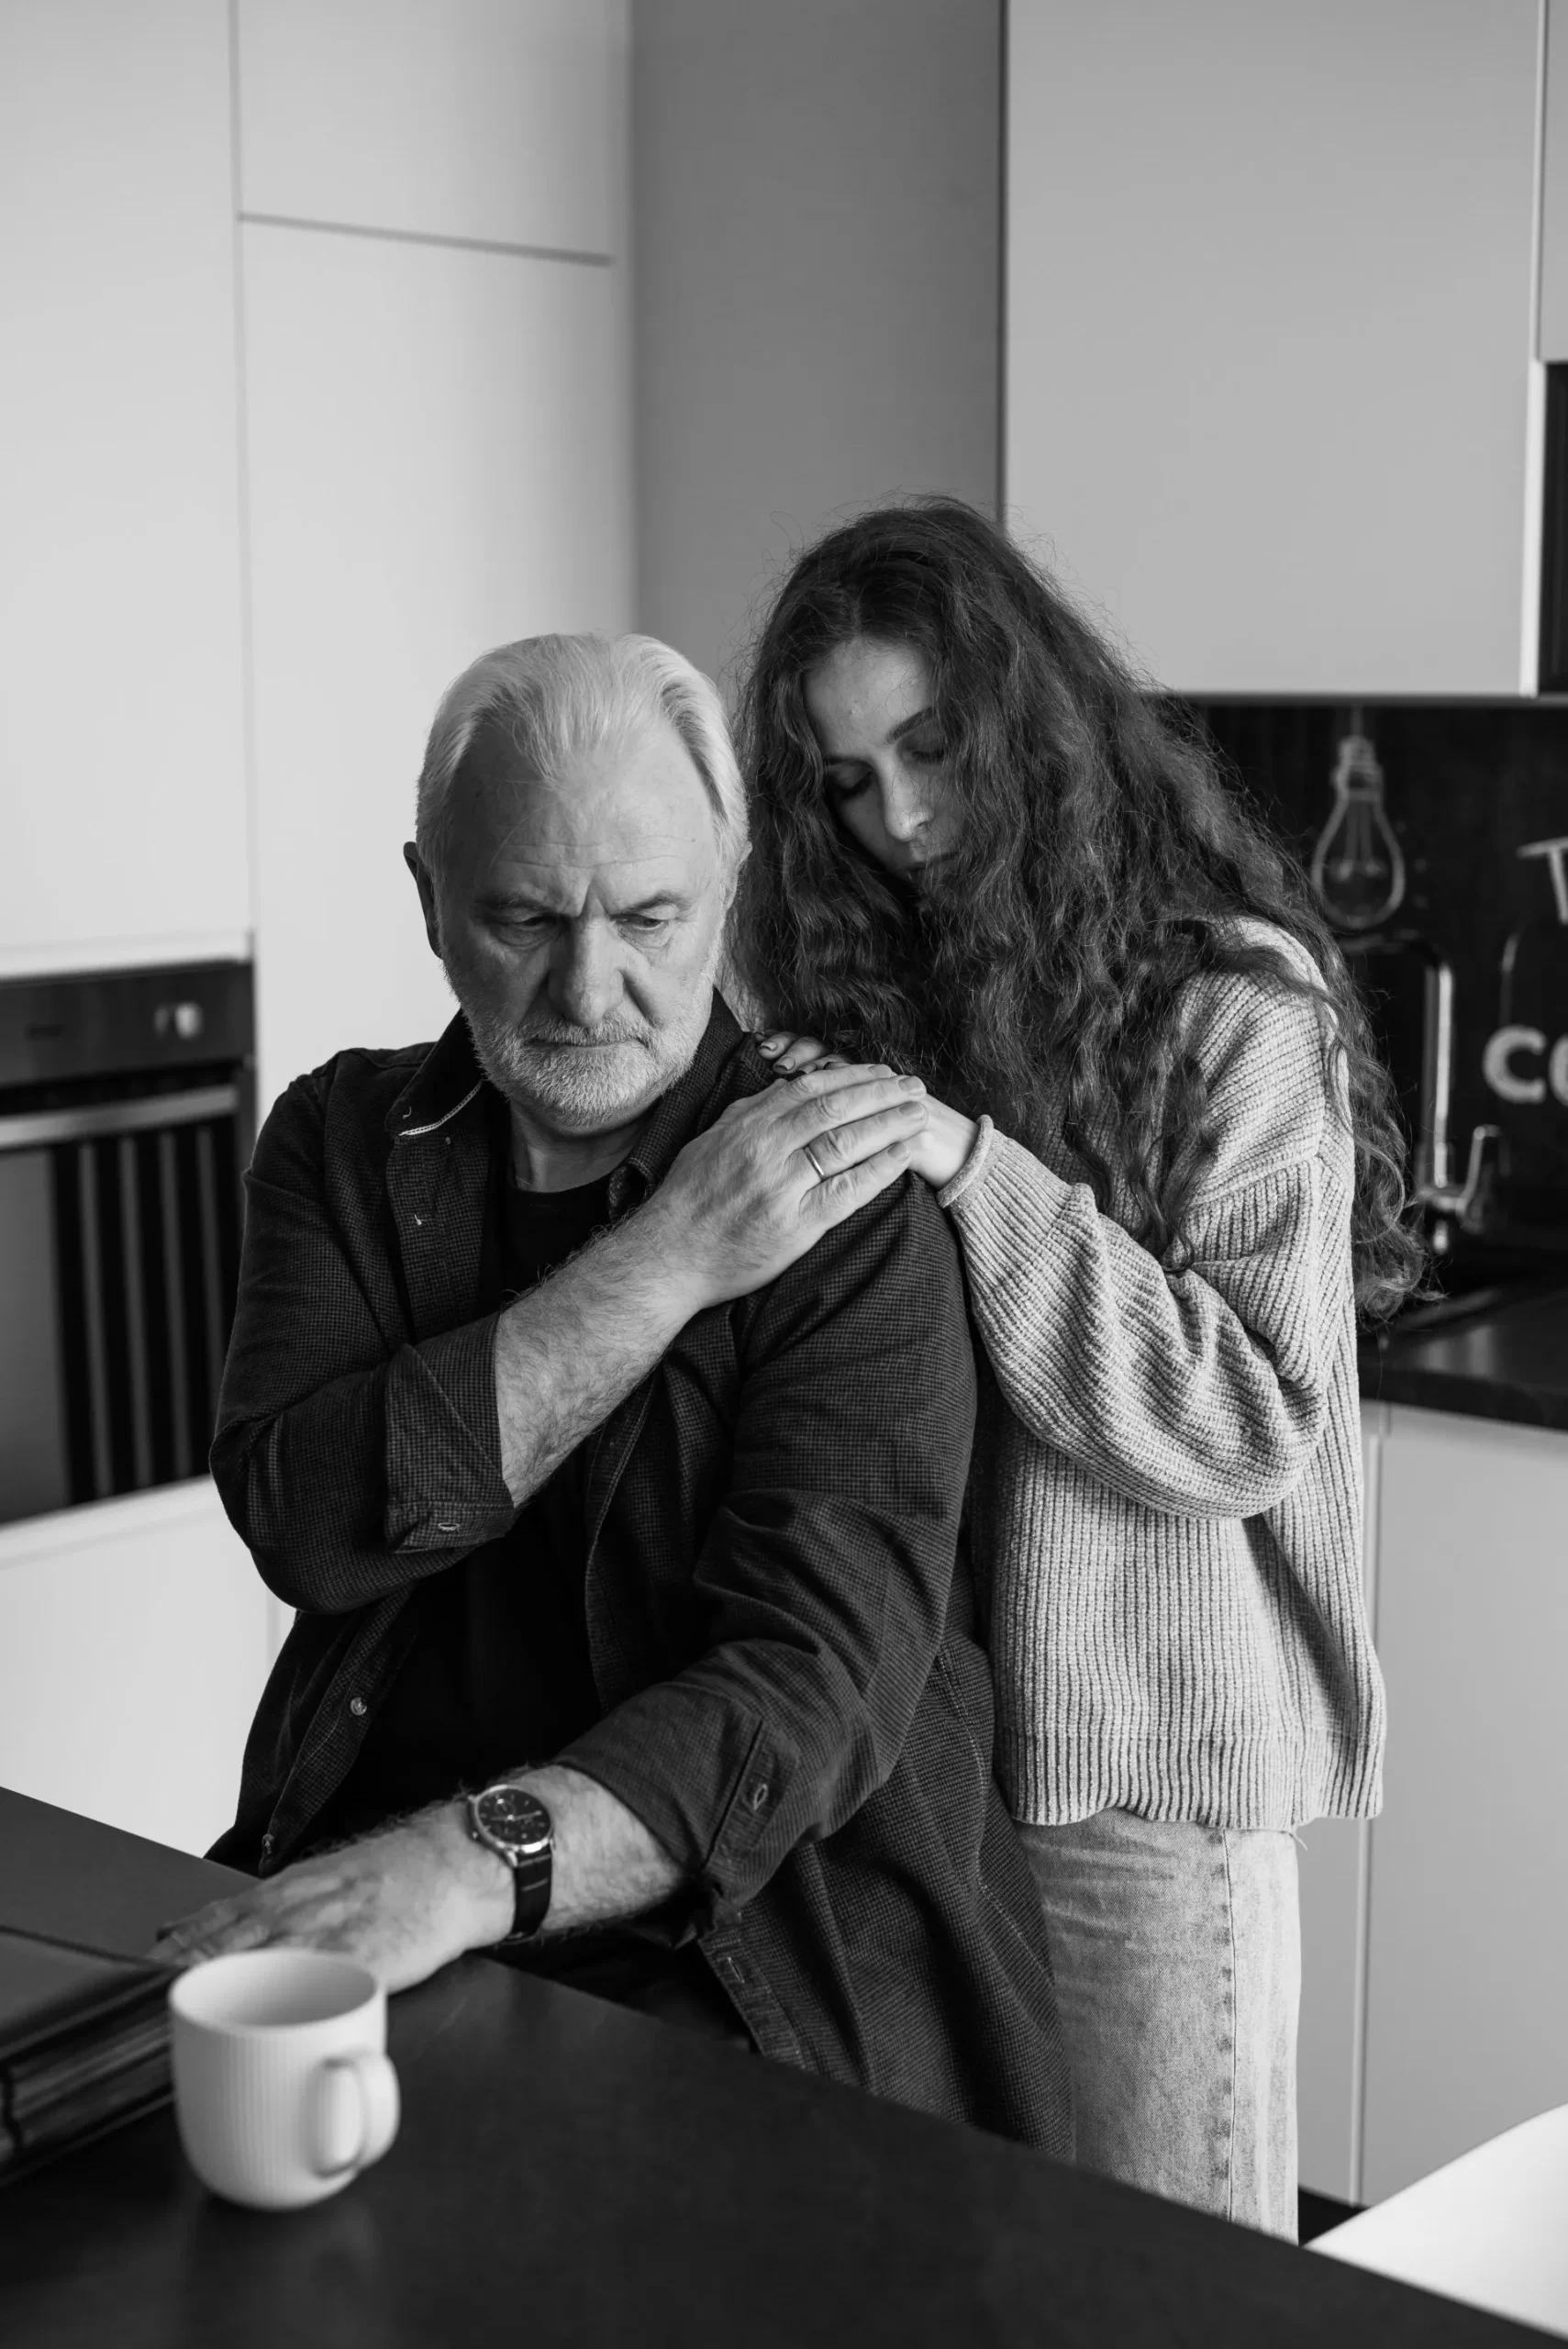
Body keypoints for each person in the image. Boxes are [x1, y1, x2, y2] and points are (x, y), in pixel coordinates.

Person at [153, 630, 1071, 2157]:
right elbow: (310, 1528)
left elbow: (803, 1688)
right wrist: (663, 1264)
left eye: (651, 917)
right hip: (378, 1893)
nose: (593, 990)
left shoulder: (848, 1197)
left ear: (733, 877)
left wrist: (466, 1865)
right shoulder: (340, 1140)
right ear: (428, 897)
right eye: (523, 916)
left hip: (745, 1960)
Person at [732, 498, 1423, 2236]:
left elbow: (1255, 1413)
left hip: (1146, 1798)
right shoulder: (904, 992)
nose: (895, 818)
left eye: (933, 746)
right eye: (845, 779)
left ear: (1024, 718)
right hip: (936, 1777)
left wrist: (977, 1172)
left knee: (1183, 2297)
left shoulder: (1235, 1005)